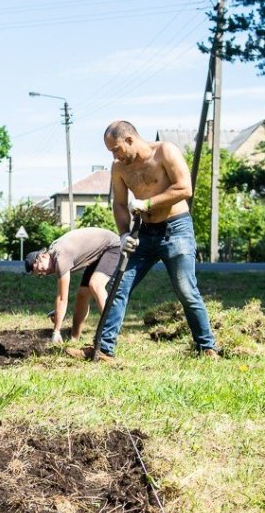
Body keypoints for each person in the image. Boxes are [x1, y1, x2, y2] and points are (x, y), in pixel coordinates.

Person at [92, 120, 219, 360]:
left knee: (186, 290)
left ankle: (207, 348)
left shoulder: (165, 151)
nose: (115, 156)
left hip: (176, 229)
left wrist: (147, 203)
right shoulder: (119, 168)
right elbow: (119, 204)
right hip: (144, 233)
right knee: (118, 286)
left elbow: (185, 188)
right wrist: (124, 235)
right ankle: (104, 349)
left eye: (116, 149)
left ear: (130, 140)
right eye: (111, 152)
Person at [23, 227, 133, 343]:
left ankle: (113, 334)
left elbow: (62, 298)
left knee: (96, 284)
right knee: (82, 295)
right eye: (40, 274)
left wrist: (56, 331)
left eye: (40, 269)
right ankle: (74, 339)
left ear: (42, 256)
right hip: (98, 254)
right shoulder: (54, 254)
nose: (44, 273)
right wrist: (59, 311)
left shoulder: (61, 258)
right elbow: (62, 299)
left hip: (113, 247)